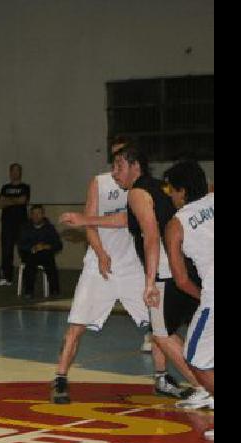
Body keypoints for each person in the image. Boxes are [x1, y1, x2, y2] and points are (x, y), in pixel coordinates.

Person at [59, 145, 206, 405]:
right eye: (113, 166)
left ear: (135, 166)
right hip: (190, 264)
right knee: (187, 329)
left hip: (166, 271)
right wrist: (85, 221)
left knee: (162, 334)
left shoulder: (137, 191)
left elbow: (150, 236)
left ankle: (203, 387)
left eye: (120, 166)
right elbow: (126, 220)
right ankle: (189, 382)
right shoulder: (157, 187)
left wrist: (149, 282)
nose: (115, 173)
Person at [49, 139, 156, 404]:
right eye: (115, 155)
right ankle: (60, 378)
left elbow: (134, 222)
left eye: (122, 154)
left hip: (132, 266)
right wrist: (100, 253)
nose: (117, 158)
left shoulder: (142, 187)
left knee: (159, 326)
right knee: (76, 326)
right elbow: (89, 222)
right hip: (100, 265)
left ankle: (163, 376)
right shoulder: (100, 182)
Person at [162, 160, 214, 432]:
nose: (169, 194)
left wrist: (205, 295)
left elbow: (181, 279)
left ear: (182, 191)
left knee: (196, 360)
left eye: (171, 189)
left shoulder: (176, 224)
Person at [17, 204, 62, 298]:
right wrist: (33, 247)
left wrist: (45, 246)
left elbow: (58, 244)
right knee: (30, 262)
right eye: (34, 213)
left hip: (45, 254)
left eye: (38, 213)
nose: (36, 216)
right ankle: (29, 291)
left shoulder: (49, 228)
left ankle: (54, 290)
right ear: (30, 215)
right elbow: (21, 244)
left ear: (43, 215)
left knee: (50, 261)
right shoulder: (25, 227)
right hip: (30, 254)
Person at [0, 163, 30, 286]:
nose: (15, 173)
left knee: (24, 250)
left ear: (20, 173)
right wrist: (15, 201)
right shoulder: (5, 187)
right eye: (13, 171)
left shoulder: (25, 187)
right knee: (6, 251)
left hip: (22, 224)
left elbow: (23, 200)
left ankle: (27, 277)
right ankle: (6, 277)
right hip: (7, 224)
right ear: (10, 173)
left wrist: (8, 201)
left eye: (18, 171)